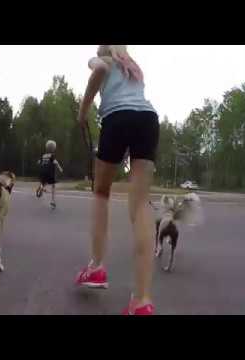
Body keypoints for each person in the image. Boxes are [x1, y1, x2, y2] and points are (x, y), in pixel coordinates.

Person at [75, 45, 160, 315]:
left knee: (101, 192)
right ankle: (142, 300)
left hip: (117, 119)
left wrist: (82, 110)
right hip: (148, 120)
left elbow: (98, 69)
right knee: (140, 205)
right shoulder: (132, 66)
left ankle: (97, 267)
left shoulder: (104, 60)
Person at [36, 140, 63, 209]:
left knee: (43, 182)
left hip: (43, 173)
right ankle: (52, 201)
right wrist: (60, 168)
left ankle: (40, 188)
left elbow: (38, 162)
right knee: (53, 186)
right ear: (53, 148)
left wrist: (42, 165)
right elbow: (55, 162)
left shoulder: (43, 156)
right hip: (49, 173)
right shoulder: (52, 156)